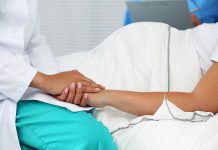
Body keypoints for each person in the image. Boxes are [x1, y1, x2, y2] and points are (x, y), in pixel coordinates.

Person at [0, 0, 117, 150]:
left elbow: (34, 41)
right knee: (89, 138)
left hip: (24, 88)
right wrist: (44, 81)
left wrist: (59, 86)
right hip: (8, 93)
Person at [85, 22, 218, 116]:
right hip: (142, 50)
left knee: (73, 87)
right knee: (71, 81)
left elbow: (201, 103)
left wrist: (107, 96)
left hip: (150, 62)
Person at [124, 0, 218, 26]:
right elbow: (126, 33)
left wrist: (198, 25)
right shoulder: (137, 3)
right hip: (150, 52)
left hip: (193, 52)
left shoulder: (212, 2)